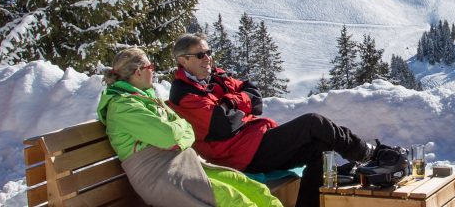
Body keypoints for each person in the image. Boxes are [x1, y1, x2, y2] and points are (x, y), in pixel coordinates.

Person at [166, 33, 397, 207]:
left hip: (255, 140)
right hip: (239, 155)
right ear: (183, 61)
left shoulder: (214, 77)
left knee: (320, 148)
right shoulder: (185, 95)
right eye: (200, 55)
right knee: (313, 123)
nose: (208, 58)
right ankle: (367, 154)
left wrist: (230, 102)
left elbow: (254, 97)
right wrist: (236, 103)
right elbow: (225, 125)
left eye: (208, 52)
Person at [97, 47, 279, 207]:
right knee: (233, 199)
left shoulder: (144, 98)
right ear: (138, 72)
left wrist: (178, 134)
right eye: (150, 67)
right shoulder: (123, 107)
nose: (153, 71)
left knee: (253, 188)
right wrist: (178, 132)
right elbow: (168, 136)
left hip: (183, 163)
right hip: (160, 176)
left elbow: (187, 130)